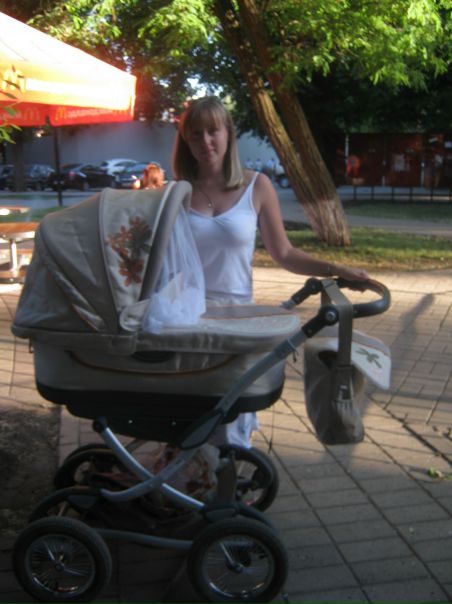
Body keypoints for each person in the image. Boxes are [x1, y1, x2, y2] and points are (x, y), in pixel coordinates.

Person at [171, 96, 368, 446]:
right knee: (188, 411)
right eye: (195, 133)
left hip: (237, 319)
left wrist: (337, 269)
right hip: (185, 318)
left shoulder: (256, 186)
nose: (205, 141)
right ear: (185, 140)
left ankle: (224, 471)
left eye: (213, 131)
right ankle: (189, 473)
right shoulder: (176, 193)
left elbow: (284, 253)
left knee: (230, 411)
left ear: (228, 133)